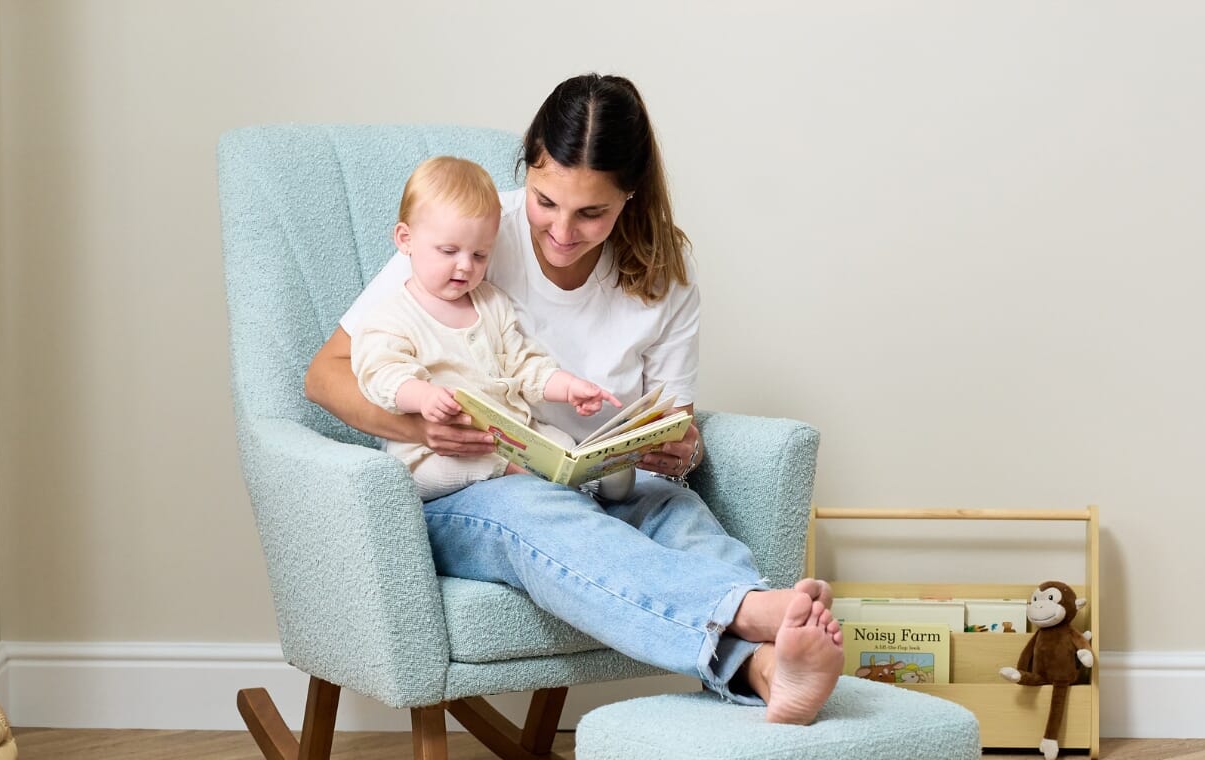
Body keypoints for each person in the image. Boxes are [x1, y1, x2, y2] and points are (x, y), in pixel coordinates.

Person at [305, 73, 843, 725]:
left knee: (680, 512)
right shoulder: (470, 235)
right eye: (544, 200)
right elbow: (327, 373)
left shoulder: (663, 269)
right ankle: (750, 606)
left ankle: (764, 667)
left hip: (606, 479)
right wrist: (421, 427)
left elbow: (667, 421)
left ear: (630, 198)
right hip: (481, 486)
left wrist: (678, 446)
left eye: (591, 212)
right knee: (540, 509)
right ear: (527, 166)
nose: (561, 231)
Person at [351, 155, 622, 501]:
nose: (465, 266)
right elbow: (379, 373)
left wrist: (567, 387)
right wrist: (422, 396)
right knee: (447, 466)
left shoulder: (491, 303)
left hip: (511, 434)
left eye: (480, 255)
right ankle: (530, 475)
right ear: (405, 239)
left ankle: (593, 476)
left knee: (561, 443)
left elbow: (524, 363)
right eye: (448, 251)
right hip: (435, 453)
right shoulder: (391, 316)